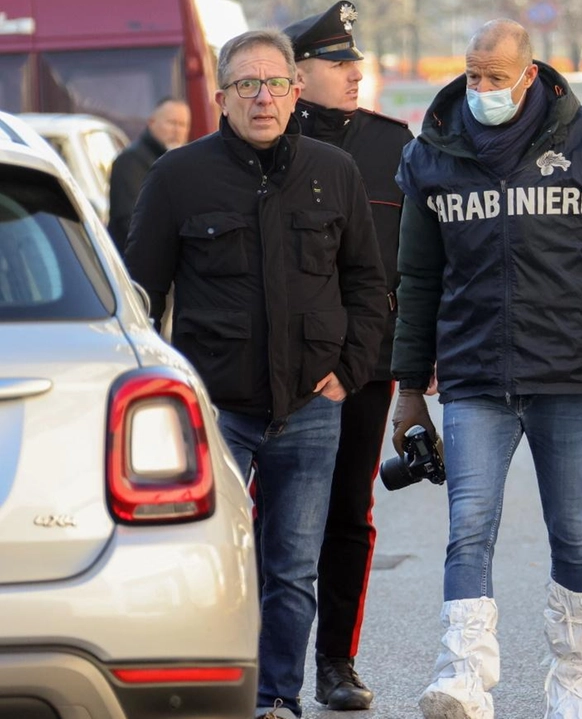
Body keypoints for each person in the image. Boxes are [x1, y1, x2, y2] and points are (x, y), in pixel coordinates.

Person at [390, 18, 582, 719]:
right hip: (475, 374)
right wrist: (407, 387)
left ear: (530, 73)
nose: (480, 88)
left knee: (573, 528)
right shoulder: (434, 153)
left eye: (495, 77)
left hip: (571, 373)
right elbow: (417, 278)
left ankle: (570, 683)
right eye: (472, 74)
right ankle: (463, 674)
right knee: (469, 523)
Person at [123, 29, 387, 719]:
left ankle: (276, 698)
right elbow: (139, 300)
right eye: (247, 85)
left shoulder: (336, 171)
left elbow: (367, 283)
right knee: (210, 565)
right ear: (220, 97)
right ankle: (204, 697)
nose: (263, 97)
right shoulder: (178, 178)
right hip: (216, 413)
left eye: (275, 83)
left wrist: (349, 368)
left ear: (297, 92)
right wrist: (168, 396)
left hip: (311, 406)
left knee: (292, 569)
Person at [282, 2, 413, 710]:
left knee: (347, 511)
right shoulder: (269, 143)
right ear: (298, 74)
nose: (355, 73)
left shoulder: (394, 146)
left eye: (356, 62)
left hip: (367, 361)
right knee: (276, 513)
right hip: (284, 366)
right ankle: (269, 662)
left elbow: (419, 262)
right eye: (338, 63)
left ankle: (337, 659)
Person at [108, 97, 191, 251]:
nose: (177, 130)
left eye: (183, 125)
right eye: (171, 123)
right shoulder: (130, 161)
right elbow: (130, 221)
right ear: (151, 122)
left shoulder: (182, 162)